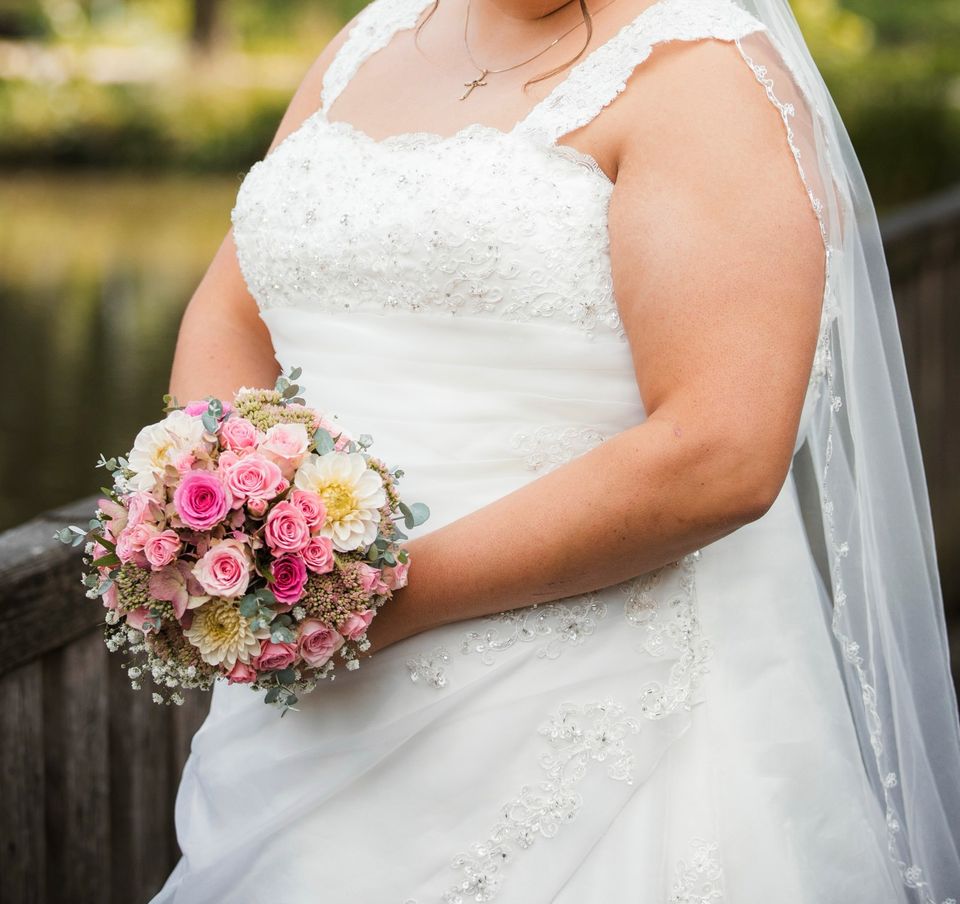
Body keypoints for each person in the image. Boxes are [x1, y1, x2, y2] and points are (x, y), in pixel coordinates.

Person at [150, 0, 960, 900]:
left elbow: (723, 452)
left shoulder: (703, 72)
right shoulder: (370, 38)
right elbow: (232, 306)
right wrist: (227, 512)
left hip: (588, 708)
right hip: (305, 701)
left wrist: (379, 598)